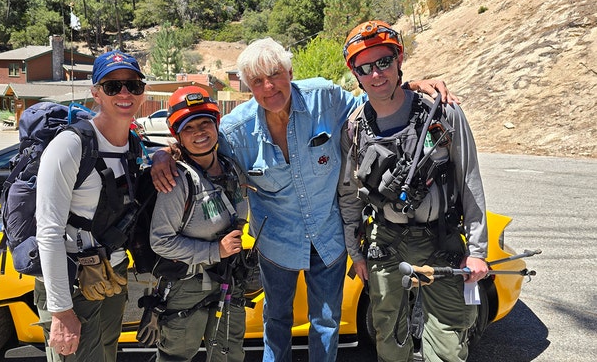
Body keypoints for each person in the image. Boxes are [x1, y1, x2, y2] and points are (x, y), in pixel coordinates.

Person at [150, 37, 455, 362]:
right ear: (247, 87)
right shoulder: (236, 131)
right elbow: (198, 147)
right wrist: (163, 154)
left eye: (274, 74)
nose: (268, 87)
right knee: (276, 321)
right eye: (257, 81)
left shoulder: (325, 98)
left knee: (326, 323)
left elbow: (374, 107)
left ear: (290, 71)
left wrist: (407, 88)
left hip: (329, 240)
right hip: (276, 245)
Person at [338, 20, 489, 362]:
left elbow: (470, 182)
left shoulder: (444, 112)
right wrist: (355, 253)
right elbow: (348, 196)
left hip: (442, 239)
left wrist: (477, 250)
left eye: (384, 62)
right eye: (365, 68)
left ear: (399, 59)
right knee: (388, 338)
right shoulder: (353, 128)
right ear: (355, 75)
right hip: (385, 241)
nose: (376, 75)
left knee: (450, 344)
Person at [34, 50, 146, 362]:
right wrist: (61, 311)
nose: (124, 93)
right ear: (95, 93)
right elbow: (48, 231)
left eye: (133, 85)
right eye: (112, 86)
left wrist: (165, 155)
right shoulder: (70, 146)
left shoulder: (133, 146)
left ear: (142, 92)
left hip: (112, 274)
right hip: (72, 283)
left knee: (107, 356)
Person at [149, 86, 250, 362]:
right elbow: (160, 240)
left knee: (228, 355)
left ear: (216, 124)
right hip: (188, 286)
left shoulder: (232, 168)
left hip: (229, 280)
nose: (199, 132)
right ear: (177, 136)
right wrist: (215, 250)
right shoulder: (176, 180)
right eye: (188, 127)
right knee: (177, 357)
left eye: (205, 122)